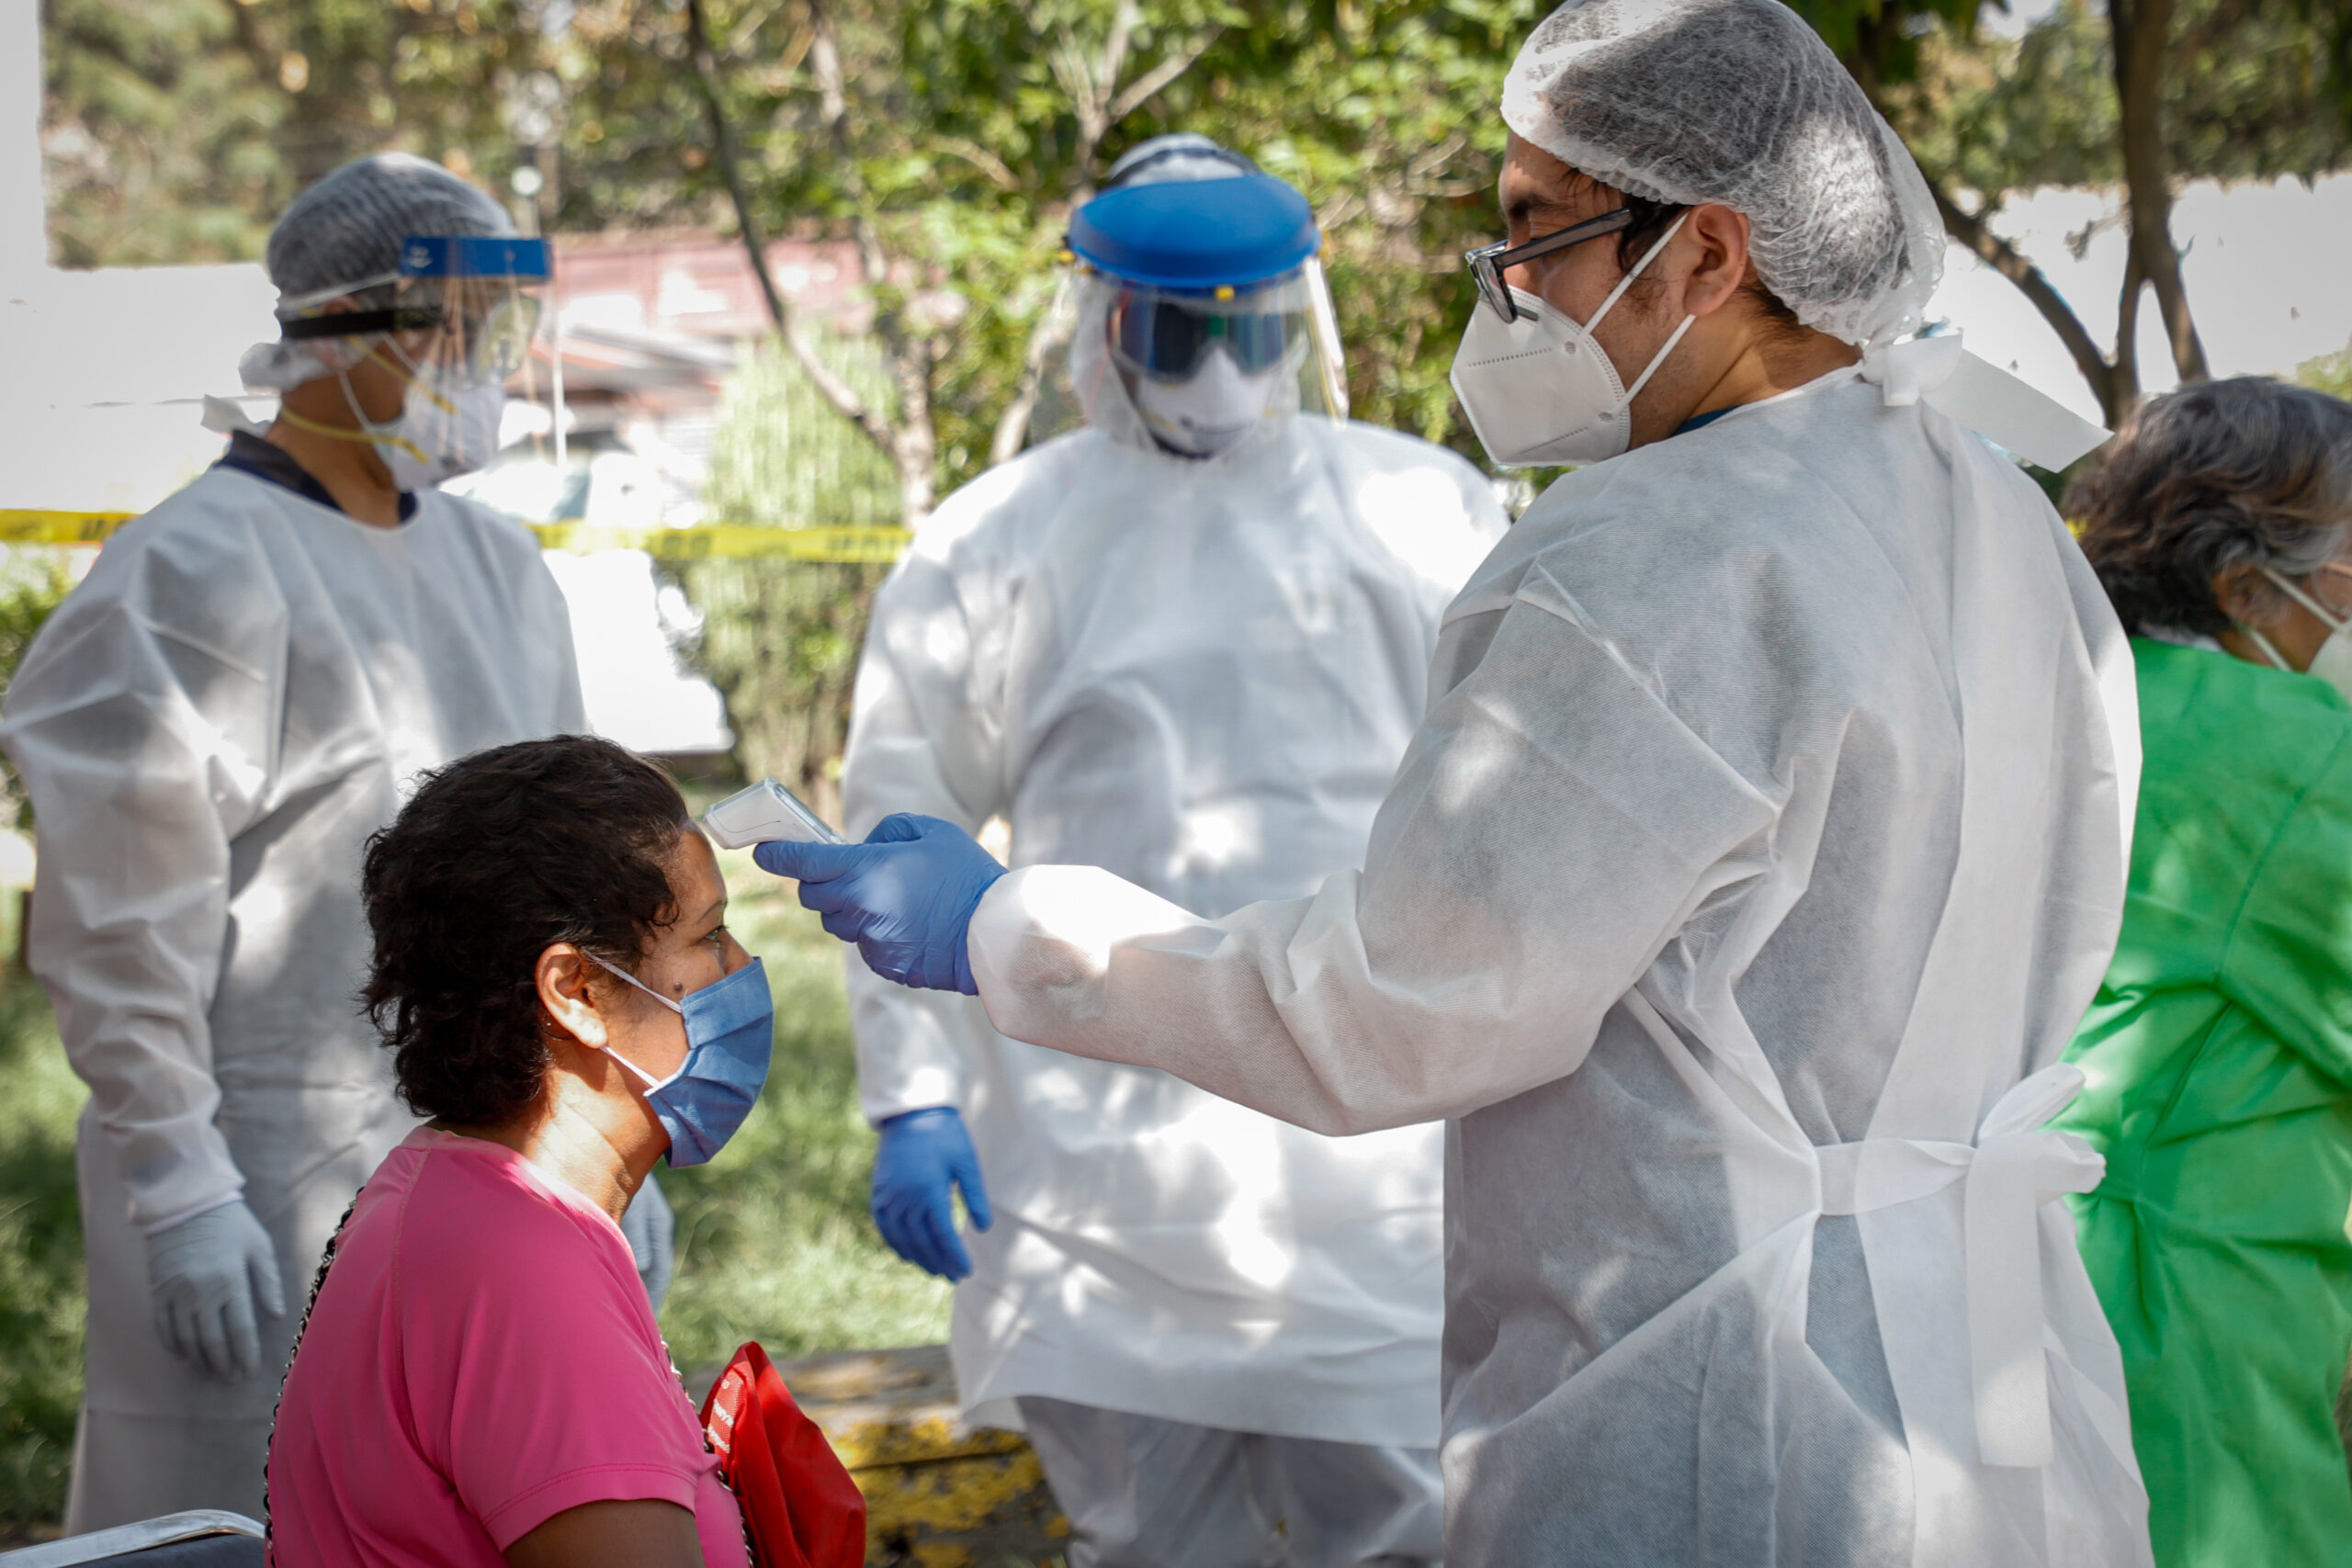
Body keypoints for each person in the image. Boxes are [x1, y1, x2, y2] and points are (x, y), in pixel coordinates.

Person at [757, 2, 2156, 1562]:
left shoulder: (1655, 552)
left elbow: (1408, 1002)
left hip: (1726, 1391)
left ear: (1705, 253)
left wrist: (1011, 929)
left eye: (1537, 234)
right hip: (1983, 1381)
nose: (1512, 291)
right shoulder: (1991, 506)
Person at [838, 133, 1507, 1566]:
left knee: (1410, 1535)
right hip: (1097, 1163)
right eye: (1176, 328)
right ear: (1101, 322)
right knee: (1145, 1540)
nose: (1216, 364)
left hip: (1370, 1151)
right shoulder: (994, 541)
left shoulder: (1420, 509)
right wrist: (912, 1095)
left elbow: (1504, 805)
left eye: (1246, 326)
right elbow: (899, 820)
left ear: (1297, 317)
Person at [0, 152, 600, 1530]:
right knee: (251, 1516)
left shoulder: (504, 571)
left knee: (476, 1513)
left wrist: (605, 1135)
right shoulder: (188, 574)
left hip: (505, 1166)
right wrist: (179, 1183)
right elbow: (117, 932)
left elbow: (571, 880)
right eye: (453, 330)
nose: (483, 368)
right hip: (264, 1188)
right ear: (337, 329)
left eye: (497, 332)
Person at [268, 736, 765, 1568]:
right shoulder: (522, 1274)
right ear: (576, 991)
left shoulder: (453, 1194)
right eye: (710, 936)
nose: (743, 965)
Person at [2052, 378, 2352, 1567]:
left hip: (2013, 1288)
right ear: (2242, 581)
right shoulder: (2293, 753)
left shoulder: (2060, 685)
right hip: (2192, 1323)